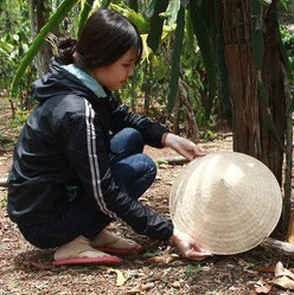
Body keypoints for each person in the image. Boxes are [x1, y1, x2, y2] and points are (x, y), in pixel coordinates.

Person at [7, 8, 211, 266]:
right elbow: (104, 192)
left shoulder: (82, 84)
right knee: (141, 168)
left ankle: (90, 229)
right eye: (126, 64)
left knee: (131, 137)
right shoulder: (77, 112)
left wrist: (167, 138)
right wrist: (169, 232)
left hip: (53, 197)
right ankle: (74, 241)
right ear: (102, 58)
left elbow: (123, 118)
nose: (131, 72)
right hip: (44, 224)